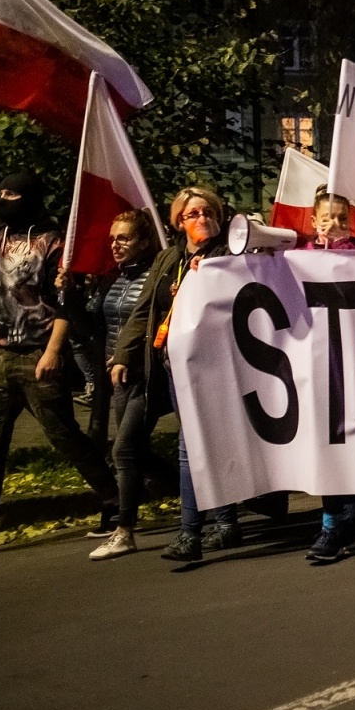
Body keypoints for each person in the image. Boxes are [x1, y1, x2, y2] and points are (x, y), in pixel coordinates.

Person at [0, 173, 120, 560]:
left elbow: (66, 300)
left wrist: (53, 351)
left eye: (10, 193)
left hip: (38, 356)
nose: (2, 198)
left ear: (28, 198)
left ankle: (113, 500)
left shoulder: (55, 243)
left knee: (63, 435)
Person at [110, 186, 239, 564]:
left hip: (216, 366)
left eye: (208, 212)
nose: (203, 220)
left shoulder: (228, 254)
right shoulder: (169, 258)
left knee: (192, 445)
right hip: (172, 366)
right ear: (178, 222)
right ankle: (226, 523)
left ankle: (189, 533)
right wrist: (123, 354)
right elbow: (145, 309)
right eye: (193, 214)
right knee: (200, 443)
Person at [300, 188, 355, 563]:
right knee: (328, 442)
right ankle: (333, 523)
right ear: (314, 221)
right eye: (326, 218)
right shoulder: (298, 257)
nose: (334, 225)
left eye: (342, 219)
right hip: (318, 365)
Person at [85, 211, 170, 559]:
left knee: (123, 450)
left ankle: (124, 531)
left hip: (145, 376)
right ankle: (202, 492)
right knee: (137, 452)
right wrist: (68, 294)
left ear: (145, 242)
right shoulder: (113, 278)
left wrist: (131, 356)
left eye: (124, 238)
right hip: (116, 378)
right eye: (113, 238)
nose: (116, 244)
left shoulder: (156, 280)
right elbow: (91, 322)